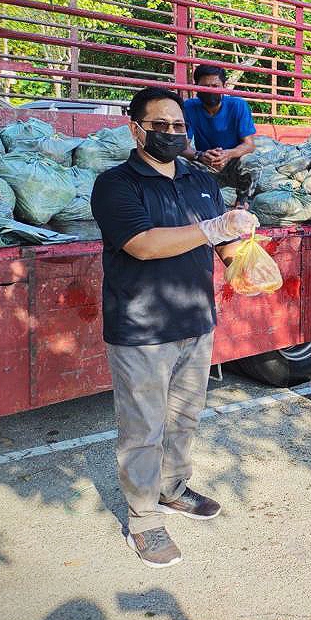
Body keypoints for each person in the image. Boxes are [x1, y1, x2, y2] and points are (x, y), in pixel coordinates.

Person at [91, 86, 258, 568]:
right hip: (141, 327)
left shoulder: (198, 180)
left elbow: (220, 242)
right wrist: (213, 229)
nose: (169, 133)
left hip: (195, 320)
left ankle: (172, 489)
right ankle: (143, 519)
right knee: (143, 427)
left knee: (184, 417)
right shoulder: (117, 183)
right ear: (135, 127)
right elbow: (142, 244)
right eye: (158, 125)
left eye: (177, 126)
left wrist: (243, 255)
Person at [181, 65, 257, 207]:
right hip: (205, 165)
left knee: (251, 160)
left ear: (224, 86)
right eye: (205, 86)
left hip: (232, 165)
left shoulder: (238, 105)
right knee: (176, 162)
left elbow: (249, 145)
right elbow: (183, 146)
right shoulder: (189, 107)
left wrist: (228, 154)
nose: (210, 90)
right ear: (196, 87)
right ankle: (193, 205)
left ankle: (241, 204)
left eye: (215, 86)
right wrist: (199, 155)